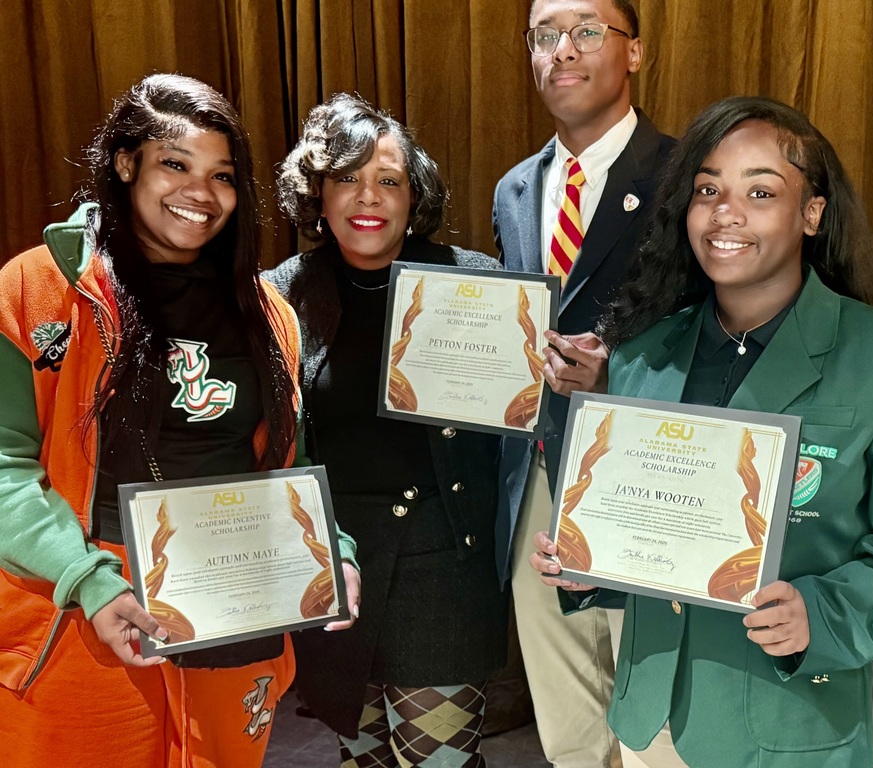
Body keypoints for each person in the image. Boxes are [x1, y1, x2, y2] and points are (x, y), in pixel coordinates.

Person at [528, 95, 873, 767]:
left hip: (786, 726)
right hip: (649, 724)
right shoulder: (643, 353)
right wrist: (588, 565)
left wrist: (820, 615)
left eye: (759, 191)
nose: (724, 213)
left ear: (812, 212)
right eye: (708, 189)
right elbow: (659, 540)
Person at [0, 73, 359, 767]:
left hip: (236, 597)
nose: (201, 193)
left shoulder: (266, 312)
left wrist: (332, 550)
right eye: (176, 164)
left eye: (222, 175)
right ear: (126, 162)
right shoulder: (35, 290)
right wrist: (88, 581)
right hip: (92, 605)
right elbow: (6, 470)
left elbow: (286, 465)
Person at [265, 92, 509, 768]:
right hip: (335, 570)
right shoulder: (280, 295)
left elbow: (522, 422)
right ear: (318, 192)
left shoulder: (476, 283)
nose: (366, 196)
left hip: (443, 564)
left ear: (413, 196)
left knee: (439, 761)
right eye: (346, 177)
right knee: (361, 758)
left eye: (388, 180)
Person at [491, 1, 675, 765]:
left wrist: (619, 375)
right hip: (537, 477)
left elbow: (726, 334)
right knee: (568, 724)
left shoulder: (687, 176)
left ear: (633, 53)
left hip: (649, 482)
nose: (562, 50)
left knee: (656, 733)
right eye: (544, 36)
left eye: (587, 31)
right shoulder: (516, 189)